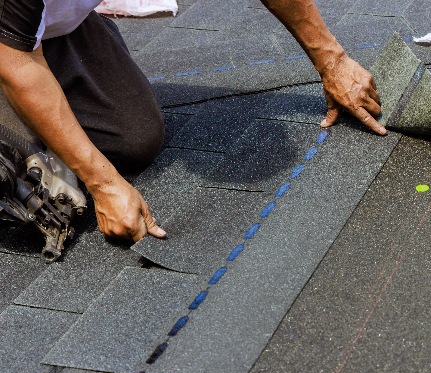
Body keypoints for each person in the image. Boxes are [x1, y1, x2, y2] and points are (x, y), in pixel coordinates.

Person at [0, 0, 386, 242]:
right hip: (11, 47)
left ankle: (35, 39)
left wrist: (331, 60)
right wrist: (104, 184)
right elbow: (16, 63)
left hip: (45, 27)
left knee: (132, 138)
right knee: (23, 169)